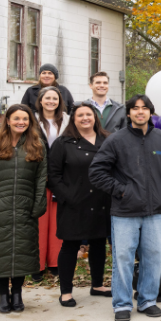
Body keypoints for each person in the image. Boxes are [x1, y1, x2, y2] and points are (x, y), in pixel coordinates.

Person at [89, 95, 161, 321]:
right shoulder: (117, 140)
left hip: (154, 211)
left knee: (152, 256)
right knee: (123, 258)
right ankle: (122, 304)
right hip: (125, 212)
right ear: (128, 113)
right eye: (135, 109)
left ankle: (147, 300)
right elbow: (97, 172)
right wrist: (122, 191)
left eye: (145, 108)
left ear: (150, 112)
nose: (140, 112)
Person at [0, 104, 49, 314]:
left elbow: (41, 179)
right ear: (8, 120)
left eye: (25, 119)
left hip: (25, 209)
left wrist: (37, 205)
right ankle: (3, 295)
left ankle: (17, 293)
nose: (20, 122)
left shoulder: (37, 145)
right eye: (16, 118)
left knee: (22, 252)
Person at [48, 103, 113, 306]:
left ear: (95, 117)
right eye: (80, 115)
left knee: (98, 244)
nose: (85, 118)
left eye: (89, 114)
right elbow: (53, 175)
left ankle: (97, 284)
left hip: (103, 200)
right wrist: (67, 197)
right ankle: (66, 291)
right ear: (73, 120)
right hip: (74, 202)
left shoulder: (108, 139)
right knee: (70, 246)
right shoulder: (63, 143)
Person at [34, 86, 67, 280]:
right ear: (40, 100)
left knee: (57, 220)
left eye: (55, 98)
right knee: (39, 220)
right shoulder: (32, 121)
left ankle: (55, 262)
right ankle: (37, 264)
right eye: (47, 98)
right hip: (37, 175)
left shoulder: (67, 121)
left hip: (60, 175)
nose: (51, 101)